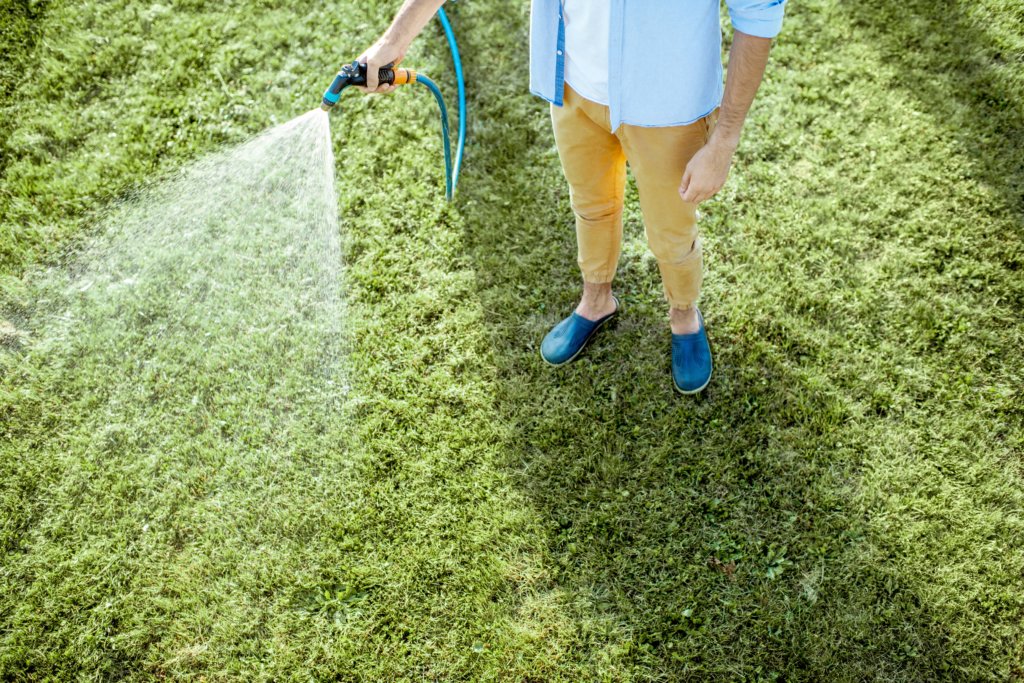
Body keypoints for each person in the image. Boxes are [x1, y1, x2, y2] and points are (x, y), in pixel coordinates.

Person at [355, 0, 786, 394]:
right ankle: (596, 299)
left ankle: (684, 317)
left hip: (668, 105)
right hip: (574, 86)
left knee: (671, 230)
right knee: (591, 205)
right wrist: (393, 41)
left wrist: (724, 141)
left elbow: (758, 15)